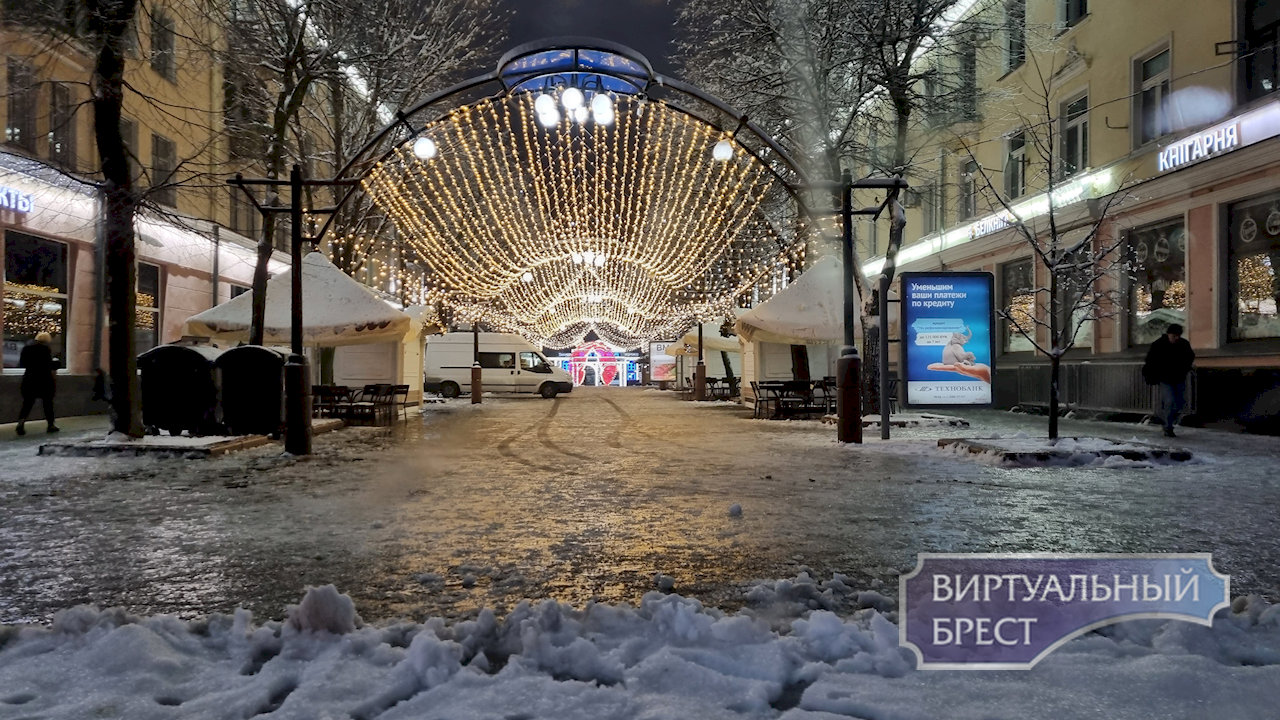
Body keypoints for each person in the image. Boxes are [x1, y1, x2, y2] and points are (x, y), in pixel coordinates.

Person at [1143, 323, 1195, 437]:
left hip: (1178, 377)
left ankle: (1167, 420)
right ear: (1168, 334)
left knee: (1178, 402)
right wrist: (1151, 375)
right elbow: (1150, 361)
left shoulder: (1183, 344)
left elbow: (1190, 357)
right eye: (1174, 336)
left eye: (1178, 336)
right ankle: (1168, 426)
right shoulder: (1159, 345)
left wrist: (1185, 368)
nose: (1176, 338)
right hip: (1165, 378)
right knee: (1170, 400)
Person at [17, 331, 59, 436]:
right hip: (44, 380)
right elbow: (48, 365)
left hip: (29, 379)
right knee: (47, 403)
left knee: (27, 403)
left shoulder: (26, 349)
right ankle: (50, 425)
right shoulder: (45, 350)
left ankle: (21, 423)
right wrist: (56, 364)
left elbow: (22, 363)